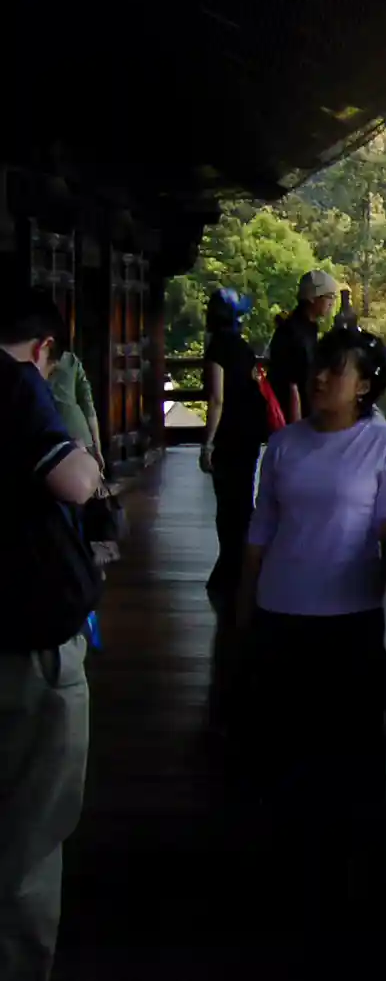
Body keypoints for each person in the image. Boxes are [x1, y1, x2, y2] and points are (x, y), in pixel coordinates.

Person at [234, 325, 386, 976]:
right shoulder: (284, 444)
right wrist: (243, 613)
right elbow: (261, 531)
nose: (321, 377)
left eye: (337, 369)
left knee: (345, 760)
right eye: (320, 365)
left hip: (348, 619)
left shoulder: (384, 442)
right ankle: (286, 879)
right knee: (283, 752)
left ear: (366, 384)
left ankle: (342, 892)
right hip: (280, 613)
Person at [0, 288, 102, 981]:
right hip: (27, 643)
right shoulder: (14, 385)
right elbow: (70, 480)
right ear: (44, 349)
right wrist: (88, 462)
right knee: (31, 829)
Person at [200, 287, 267, 601]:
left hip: (228, 437)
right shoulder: (244, 348)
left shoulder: (217, 349)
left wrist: (207, 444)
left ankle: (231, 568)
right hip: (250, 434)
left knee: (228, 507)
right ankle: (243, 567)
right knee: (242, 502)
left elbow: (217, 399)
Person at [266, 269, 337, 424]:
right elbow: (291, 385)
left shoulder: (309, 329)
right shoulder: (292, 332)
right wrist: (296, 429)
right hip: (290, 418)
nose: (332, 302)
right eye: (329, 296)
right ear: (312, 298)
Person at [46, 348, 105, 475]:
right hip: (80, 436)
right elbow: (88, 407)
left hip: (51, 443)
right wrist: (97, 448)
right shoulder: (71, 361)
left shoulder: (29, 361)